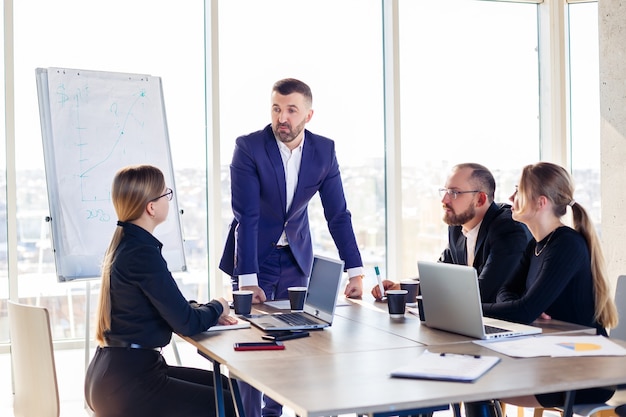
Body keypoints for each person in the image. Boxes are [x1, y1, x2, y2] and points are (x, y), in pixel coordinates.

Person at [219, 78, 365, 417]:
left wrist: (356, 271)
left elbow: (338, 215)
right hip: (253, 257)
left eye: (290, 110)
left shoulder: (324, 151)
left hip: (298, 260)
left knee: (295, 343)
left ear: (308, 115)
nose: (281, 118)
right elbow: (247, 216)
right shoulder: (249, 147)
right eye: (276, 109)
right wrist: (247, 278)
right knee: (253, 346)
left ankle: (274, 414)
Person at [84, 165, 238, 417]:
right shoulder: (142, 253)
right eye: (165, 193)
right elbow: (186, 324)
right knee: (231, 406)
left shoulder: (128, 244)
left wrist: (201, 309)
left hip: (114, 375)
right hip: (129, 384)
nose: (169, 198)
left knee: (229, 389)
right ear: (151, 207)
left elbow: (167, 306)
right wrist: (219, 305)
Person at [468, 162, 619, 417]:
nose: (511, 198)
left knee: (478, 384)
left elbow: (523, 310)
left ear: (540, 203)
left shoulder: (566, 245)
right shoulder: (537, 245)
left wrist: (469, 309)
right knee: (475, 379)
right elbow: (508, 292)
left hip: (585, 371)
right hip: (551, 357)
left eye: (519, 191)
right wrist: (524, 306)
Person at [372, 162, 530, 303]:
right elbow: (441, 275)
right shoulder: (457, 227)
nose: (444, 200)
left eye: (454, 193)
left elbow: (483, 294)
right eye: (445, 191)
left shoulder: (509, 230)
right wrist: (404, 287)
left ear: (480, 199)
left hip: (519, 327)